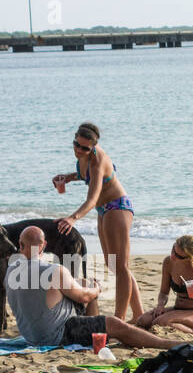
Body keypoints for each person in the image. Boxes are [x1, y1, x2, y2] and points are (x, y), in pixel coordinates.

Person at [5, 226, 174, 350]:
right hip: (57, 335)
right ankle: (167, 344)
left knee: (84, 285)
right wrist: (96, 289)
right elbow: (84, 298)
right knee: (114, 322)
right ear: (43, 246)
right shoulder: (55, 271)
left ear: (20, 245)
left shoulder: (12, 269)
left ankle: (95, 335)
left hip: (31, 336)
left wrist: (83, 284)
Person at [52, 122, 145, 323]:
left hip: (117, 207)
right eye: (76, 144)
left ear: (93, 147)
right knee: (115, 266)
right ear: (75, 138)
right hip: (104, 210)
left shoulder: (97, 161)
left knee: (121, 267)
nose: (79, 150)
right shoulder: (84, 158)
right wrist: (67, 178)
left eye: (84, 148)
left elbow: (92, 198)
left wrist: (72, 218)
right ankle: (139, 315)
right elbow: (85, 176)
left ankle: (119, 319)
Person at [135, 235, 193, 333]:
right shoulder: (168, 262)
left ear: (190, 257)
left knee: (160, 322)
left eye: (178, 256)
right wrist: (160, 305)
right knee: (142, 320)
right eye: (173, 250)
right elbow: (164, 292)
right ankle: (181, 326)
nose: (172, 256)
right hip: (179, 309)